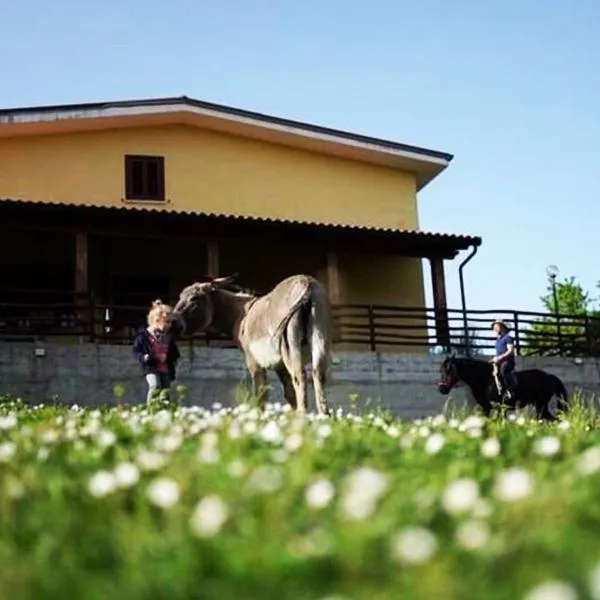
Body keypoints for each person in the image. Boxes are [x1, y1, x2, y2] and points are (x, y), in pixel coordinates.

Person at [132, 299, 181, 405]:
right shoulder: (144, 336)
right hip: (151, 367)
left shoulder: (168, 336)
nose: (169, 325)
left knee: (165, 390)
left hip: (165, 368)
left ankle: (165, 410)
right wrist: (146, 357)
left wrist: (171, 359)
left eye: (170, 322)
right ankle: (151, 409)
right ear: (157, 320)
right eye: (167, 322)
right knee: (155, 385)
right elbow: (136, 350)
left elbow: (174, 352)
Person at [489, 319, 518, 400]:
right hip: (499, 361)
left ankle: (509, 390)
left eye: (496, 326)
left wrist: (499, 358)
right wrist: (494, 358)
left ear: (502, 327)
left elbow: (510, 351)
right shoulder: (498, 340)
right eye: (494, 327)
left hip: (507, 361)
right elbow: (499, 352)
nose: (494, 329)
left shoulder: (508, 338)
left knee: (503, 371)